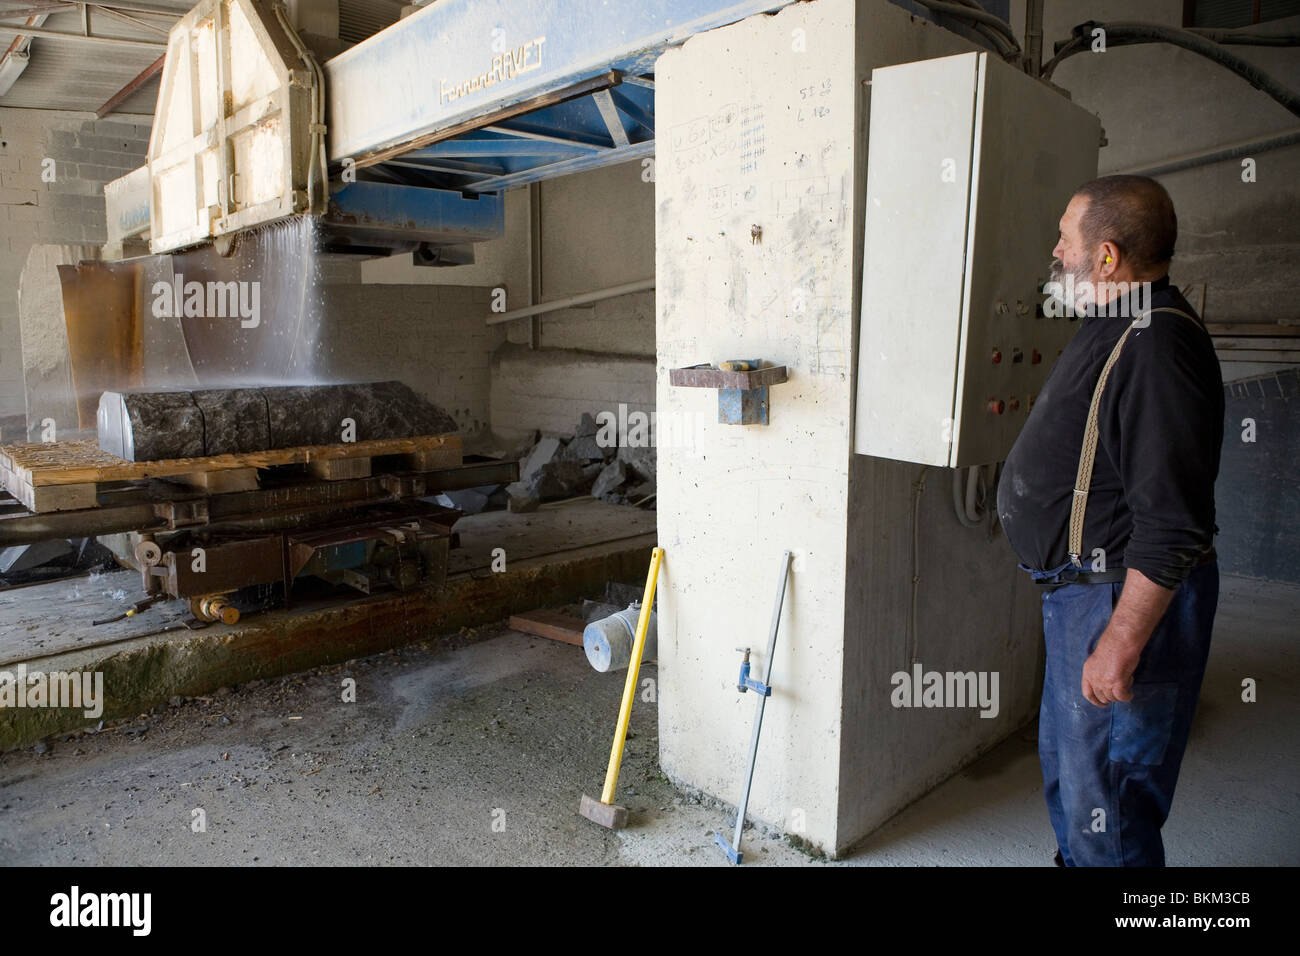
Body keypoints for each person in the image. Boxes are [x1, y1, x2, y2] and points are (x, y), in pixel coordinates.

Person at [996, 175, 1224, 867]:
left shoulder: (1158, 347)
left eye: (1067, 239)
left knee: (1111, 807)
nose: (1056, 251)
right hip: (1083, 598)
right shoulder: (1121, 322)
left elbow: (1174, 524)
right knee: (1078, 786)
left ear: (1106, 257)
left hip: (1118, 600)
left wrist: (1120, 643)